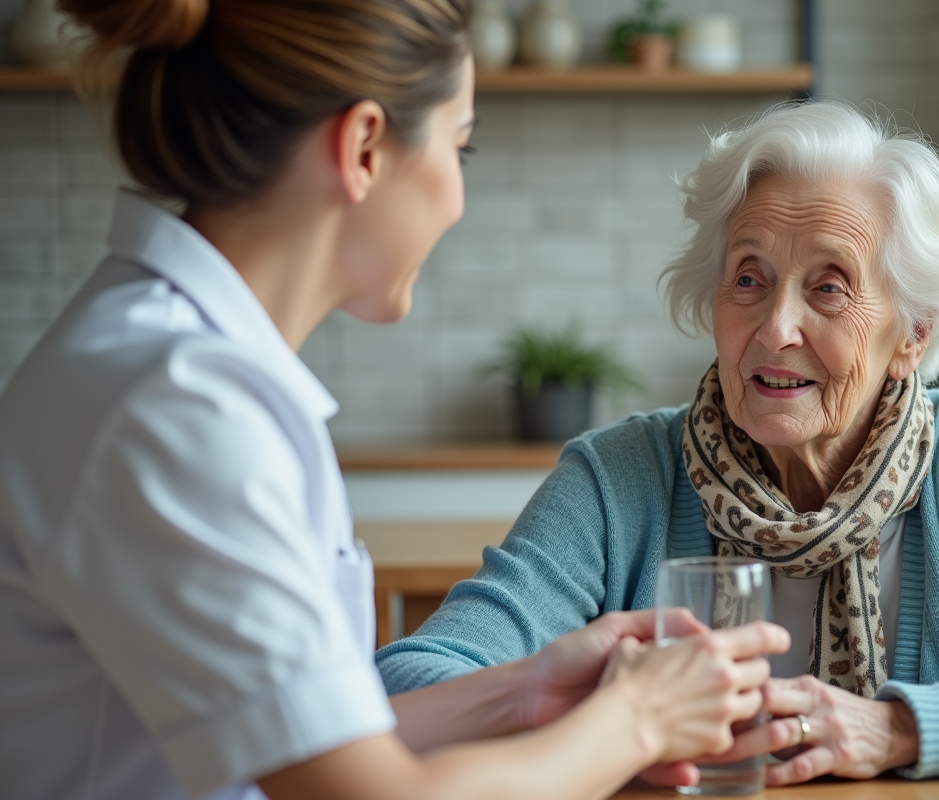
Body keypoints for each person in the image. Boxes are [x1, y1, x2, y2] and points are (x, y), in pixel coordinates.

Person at [0, 2, 792, 799]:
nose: (457, 197)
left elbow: (311, 742)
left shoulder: (184, 376)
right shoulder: (176, 406)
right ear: (365, 147)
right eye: (461, 146)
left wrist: (524, 691)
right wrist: (639, 718)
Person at [377, 100, 939, 785]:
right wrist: (613, 713)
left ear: (912, 332)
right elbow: (403, 688)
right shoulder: (618, 476)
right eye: (749, 278)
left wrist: (895, 729)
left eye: (828, 287)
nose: (775, 328)